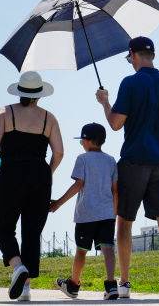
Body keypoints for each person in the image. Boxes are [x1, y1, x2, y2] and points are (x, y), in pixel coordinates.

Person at [96, 36, 159, 300]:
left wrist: (105, 102)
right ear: (153, 55)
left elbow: (116, 124)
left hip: (135, 160)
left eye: (129, 58)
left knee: (125, 221)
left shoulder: (130, 83)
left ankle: (125, 282)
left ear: (133, 55)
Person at [0, 72, 64, 302]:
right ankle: (26, 288)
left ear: (19, 92)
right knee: (32, 231)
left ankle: (18, 266)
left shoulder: (5, 113)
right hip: (39, 175)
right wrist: (46, 173)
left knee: (2, 226)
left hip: (11, 172)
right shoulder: (49, 118)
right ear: (39, 95)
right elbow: (59, 152)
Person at [50, 123, 119, 301]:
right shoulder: (111, 161)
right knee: (108, 249)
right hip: (107, 213)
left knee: (81, 251)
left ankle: (73, 284)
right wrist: (114, 213)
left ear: (88, 141)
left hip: (86, 214)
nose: (81, 143)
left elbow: (78, 184)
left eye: (82, 140)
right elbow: (115, 190)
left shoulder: (82, 159)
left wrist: (58, 203)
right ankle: (111, 285)